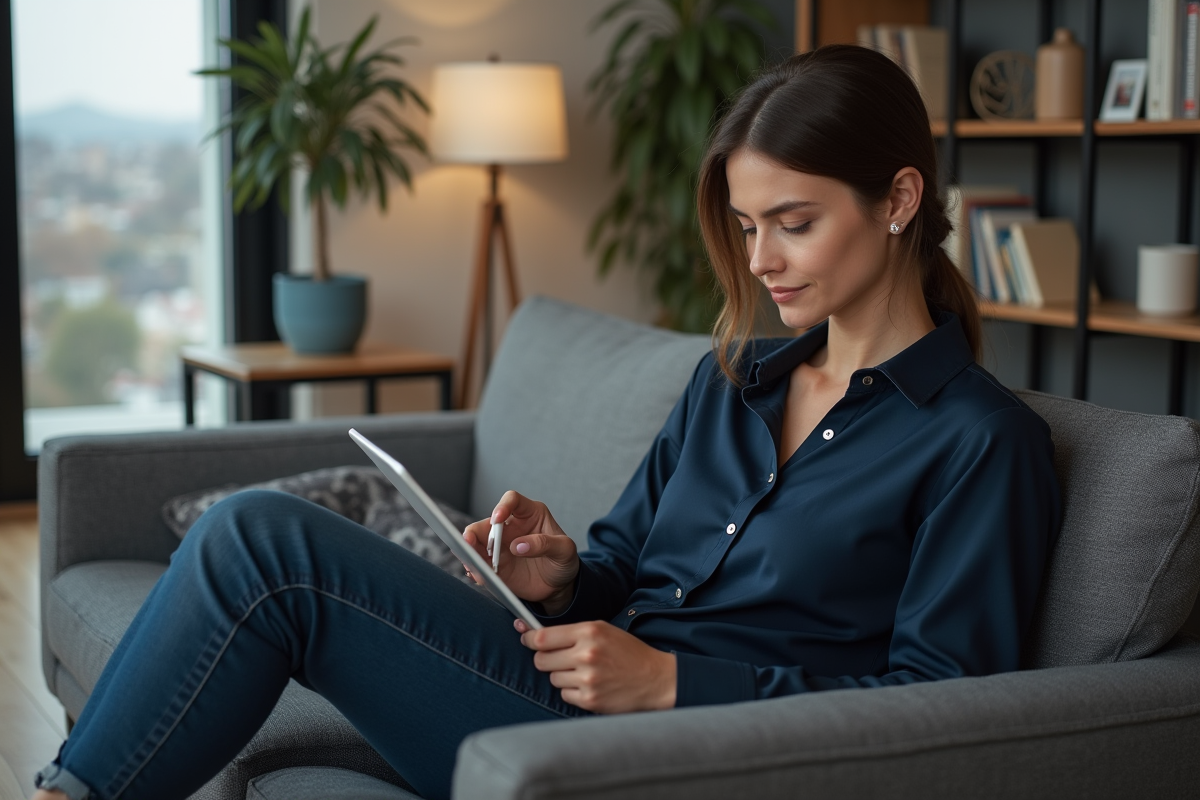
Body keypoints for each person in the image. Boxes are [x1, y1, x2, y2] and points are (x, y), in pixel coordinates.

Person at [34, 44, 1061, 800]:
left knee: (267, 547)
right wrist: (560, 574)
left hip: (685, 752)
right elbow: (623, 556)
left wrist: (674, 683)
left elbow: (941, 707)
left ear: (898, 200)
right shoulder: (732, 385)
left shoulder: (978, 442)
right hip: (575, 694)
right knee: (253, 533)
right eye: (749, 227)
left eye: (794, 223)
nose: (760, 261)